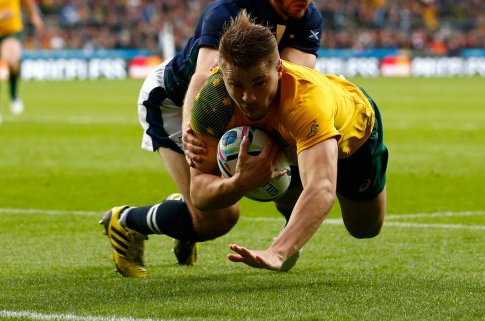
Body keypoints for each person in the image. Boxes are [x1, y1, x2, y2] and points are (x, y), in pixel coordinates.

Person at [99, 0, 323, 278]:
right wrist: (190, 127)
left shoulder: (308, 18)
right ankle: (127, 221)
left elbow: (289, 82)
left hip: (235, 105)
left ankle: (184, 211)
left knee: (291, 171)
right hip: (176, 101)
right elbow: (204, 74)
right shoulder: (228, 11)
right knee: (217, 219)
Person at [188, 10, 388, 271]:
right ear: (220, 73)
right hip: (287, 141)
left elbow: (322, 189)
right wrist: (239, 184)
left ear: (279, 68)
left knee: (364, 228)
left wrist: (277, 252)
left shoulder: (306, 104)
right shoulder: (213, 101)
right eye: (236, 84)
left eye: (259, 82)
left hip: (354, 134)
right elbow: (199, 192)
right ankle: (291, 226)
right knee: (287, 196)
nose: (248, 97)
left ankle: (288, 237)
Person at [0, 0, 44, 126]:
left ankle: (13, 95)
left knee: (12, 61)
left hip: (12, 31)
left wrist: (34, 16)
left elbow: (27, 3)